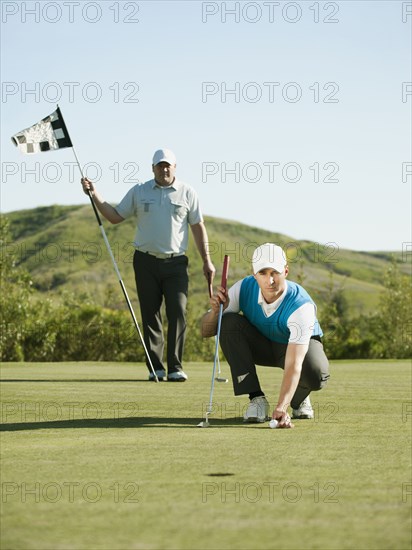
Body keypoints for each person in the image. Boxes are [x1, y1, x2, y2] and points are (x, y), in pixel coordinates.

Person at [81, 148, 215, 382]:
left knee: (178, 311)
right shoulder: (139, 191)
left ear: (175, 167)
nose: (164, 169)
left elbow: (197, 227)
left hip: (176, 263)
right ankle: (156, 368)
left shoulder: (187, 193)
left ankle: (175, 367)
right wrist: (94, 194)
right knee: (150, 314)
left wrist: (207, 261)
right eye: (159, 165)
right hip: (145, 261)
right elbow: (114, 216)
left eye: (168, 165)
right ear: (152, 168)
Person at [201, 243, 330, 428]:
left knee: (316, 374)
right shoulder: (243, 288)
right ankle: (257, 399)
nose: (269, 281)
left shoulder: (301, 306)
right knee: (228, 321)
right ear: (254, 275)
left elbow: (294, 364)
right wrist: (215, 312)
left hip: (295, 350)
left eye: (274, 273)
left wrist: (281, 408)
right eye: (262, 273)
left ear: (286, 271)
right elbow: (205, 331)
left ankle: (299, 399)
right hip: (263, 345)